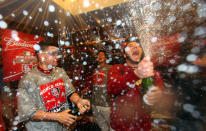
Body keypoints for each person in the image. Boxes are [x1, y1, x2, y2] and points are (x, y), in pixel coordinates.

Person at [17, 40, 90, 131]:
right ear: (41, 55)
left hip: (63, 126)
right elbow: (27, 112)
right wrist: (57, 116)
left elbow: (70, 92)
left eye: (58, 53)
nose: (57, 56)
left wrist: (78, 100)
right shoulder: (28, 79)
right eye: (53, 53)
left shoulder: (60, 72)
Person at [107, 37, 173, 131]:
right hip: (119, 127)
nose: (135, 47)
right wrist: (135, 74)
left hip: (143, 127)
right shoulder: (117, 69)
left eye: (138, 46)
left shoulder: (151, 72)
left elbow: (166, 100)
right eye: (131, 46)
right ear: (125, 55)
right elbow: (111, 89)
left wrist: (160, 95)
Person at [83, 50, 112, 131]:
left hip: (106, 104)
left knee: (112, 127)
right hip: (95, 104)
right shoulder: (95, 70)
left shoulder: (110, 68)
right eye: (98, 55)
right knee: (103, 127)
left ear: (106, 58)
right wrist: (87, 89)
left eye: (102, 54)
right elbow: (93, 84)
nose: (100, 56)